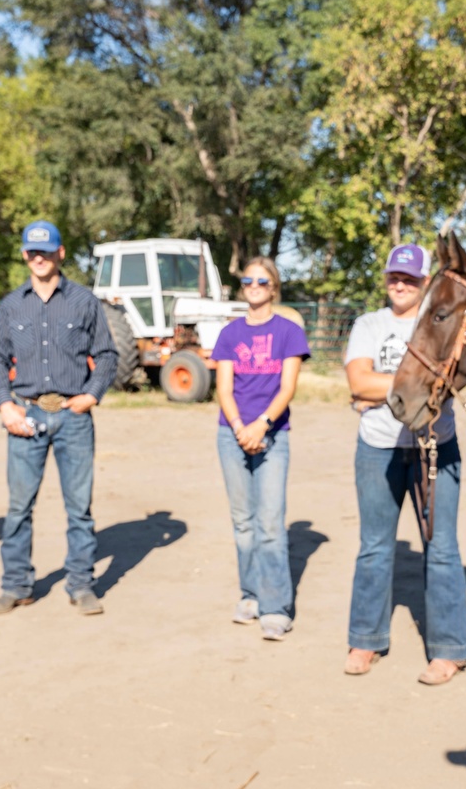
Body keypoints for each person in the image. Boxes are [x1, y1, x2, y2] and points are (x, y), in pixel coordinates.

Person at [343, 242, 466, 685]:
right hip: (377, 448)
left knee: (442, 549)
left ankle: (449, 649)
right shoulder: (368, 324)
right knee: (375, 546)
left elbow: (447, 380)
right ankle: (365, 638)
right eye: (394, 277)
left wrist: (375, 392)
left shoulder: (437, 321)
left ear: (424, 281)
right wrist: (413, 383)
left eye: (410, 278)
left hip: (435, 448)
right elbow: (356, 378)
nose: (400, 284)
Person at [0, 220, 119, 616]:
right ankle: (16, 586)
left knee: (79, 507)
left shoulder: (84, 301)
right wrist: (5, 405)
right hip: (24, 416)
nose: (39, 257)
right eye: (32, 251)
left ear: (60, 253)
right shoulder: (11, 305)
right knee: (18, 508)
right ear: (25, 255)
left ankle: (81, 584)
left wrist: (91, 396)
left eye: (46, 250)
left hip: (73, 417)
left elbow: (108, 356)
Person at [212, 256, 310, 642]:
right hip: (231, 435)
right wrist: (240, 427)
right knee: (243, 522)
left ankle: (275, 607)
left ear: (274, 287)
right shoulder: (229, 334)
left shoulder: (289, 332)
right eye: (248, 281)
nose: (254, 286)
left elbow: (287, 388)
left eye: (262, 281)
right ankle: (250, 595)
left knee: (270, 523)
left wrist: (262, 425)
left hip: (273, 434)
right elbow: (223, 389)